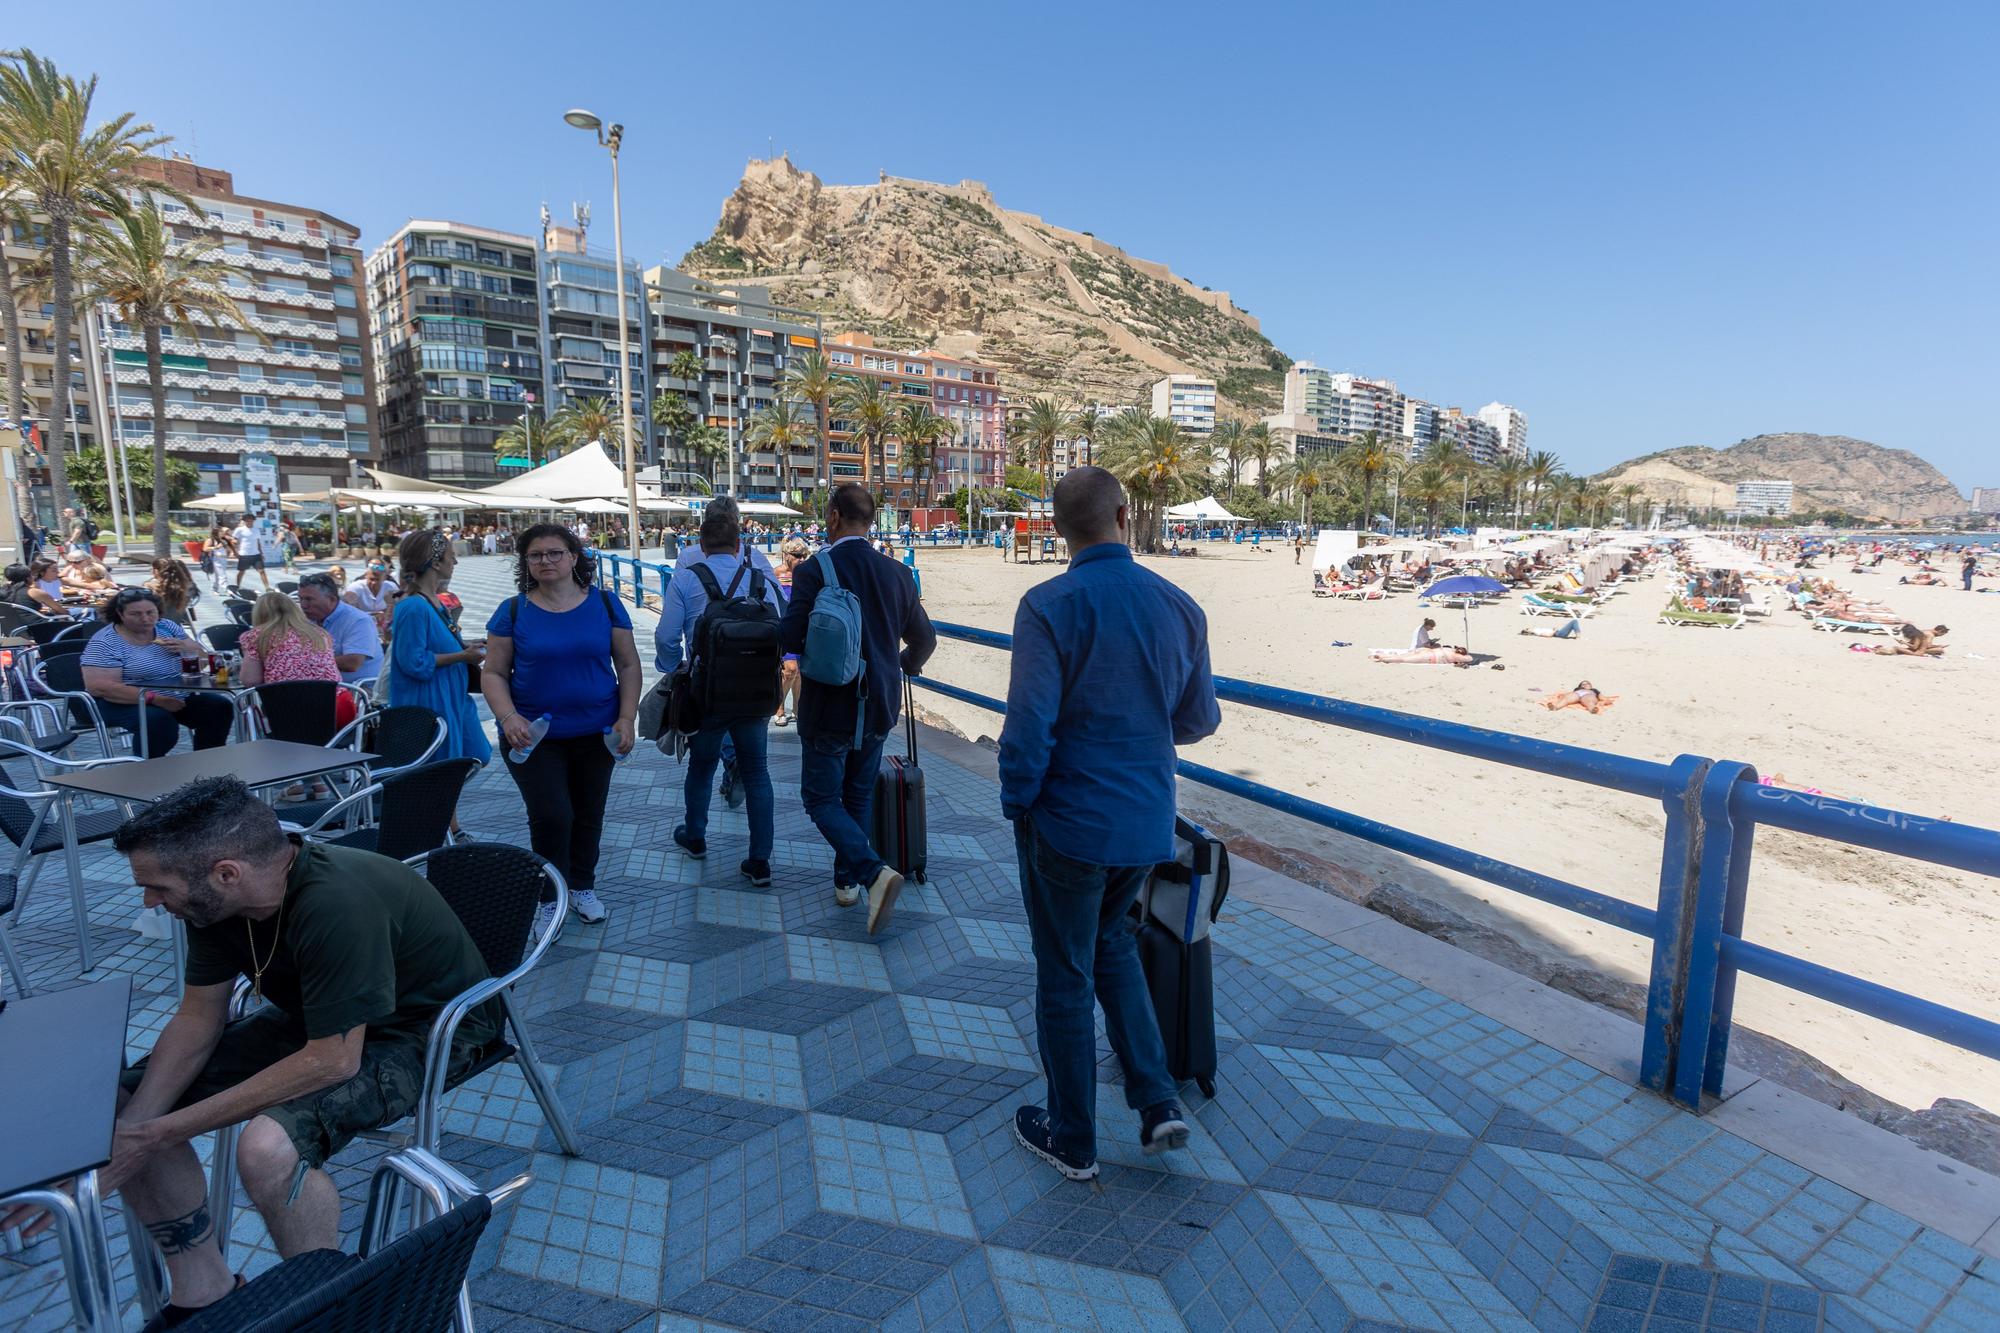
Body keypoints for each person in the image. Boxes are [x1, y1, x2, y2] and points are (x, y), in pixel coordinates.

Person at [0, 777, 501, 1328]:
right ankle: (204, 1292)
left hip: (433, 1029)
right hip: (323, 1021)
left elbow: (334, 1061)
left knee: (266, 1149)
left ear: (226, 872)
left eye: (156, 887)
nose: (148, 901)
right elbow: (198, 1019)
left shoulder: (337, 900)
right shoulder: (213, 906)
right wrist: (135, 1126)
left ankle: (325, 1307)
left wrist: (152, 1137)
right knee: (119, 1106)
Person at [998, 466, 1217, 1181]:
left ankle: (1073, 1137)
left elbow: (1027, 728)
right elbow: (1196, 720)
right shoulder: (1179, 605)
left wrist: (1018, 801)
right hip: (1146, 823)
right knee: (1113, 949)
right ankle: (1157, 1101)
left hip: (1067, 825)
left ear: (1058, 528)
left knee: (1064, 972)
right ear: (1124, 515)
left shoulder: (1047, 605)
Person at [776, 483, 936, 930]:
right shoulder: (898, 574)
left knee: (820, 798)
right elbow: (925, 640)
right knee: (859, 793)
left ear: (832, 517)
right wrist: (903, 664)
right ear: (870, 520)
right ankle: (846, 883)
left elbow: (790, 637)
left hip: (830, 705)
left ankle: (872, 873)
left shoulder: (814, 570)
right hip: (880, 703)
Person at [483, 524, 639, 942]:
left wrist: (627, 718)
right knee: (553, 815)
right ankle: (550, 897)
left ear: (574, 557)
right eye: (536, 556)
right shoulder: (512, 611)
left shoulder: (606, 605)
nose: (546, 561)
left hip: (597, 732)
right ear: (526, 564)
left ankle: (582, 886)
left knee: (589, 813)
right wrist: (507, 717)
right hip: (533, 735)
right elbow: (494, 672)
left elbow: (627, 665)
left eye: (555, 553)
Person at [655, 499, 784, 891]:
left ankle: (695, 837)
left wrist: (674, 666)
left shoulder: (687, 577)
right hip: (756, 695)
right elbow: (785, 623)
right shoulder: (759, 576)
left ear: (702, 543)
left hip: (707, 695)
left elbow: (665, 637)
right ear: (739, 542)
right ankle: (759, 861)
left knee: (702, 766)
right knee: (758, 773)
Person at [79, 588, 236, 756]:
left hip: (175, 693)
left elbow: (203, 661)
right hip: (122, 701)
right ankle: (147, 770)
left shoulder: (166, 627)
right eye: (136, 614)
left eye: (150, 612)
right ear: (120, 613)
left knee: (219, 707)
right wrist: (155, 699)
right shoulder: (106, 641)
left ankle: (207, 762)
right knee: (158, 722)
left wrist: (186, 648)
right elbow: (101, 687)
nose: (145, 619)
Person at [387, 529, 490, 766]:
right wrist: (463, 655)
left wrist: (464, 647)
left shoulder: (432, 601)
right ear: (435, 563)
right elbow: (414, 662)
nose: (454, 562)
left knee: (475, 755)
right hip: (431, 700)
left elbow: (433, 644)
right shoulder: (414, 606)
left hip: (451, 695)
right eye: (450, 556)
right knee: (443, 770)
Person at [296, 573, 381, 685]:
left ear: (332, 599)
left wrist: (308, 664)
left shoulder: (358, 620)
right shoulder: (307, 619)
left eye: (309, 599)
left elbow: (353, 662)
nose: (303, 605)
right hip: (322, 688)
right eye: (300, 599)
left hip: (359, 691)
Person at [773, 536, 811, 727]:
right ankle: (779, 708)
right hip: (784, 627)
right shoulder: (776, 574)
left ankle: (797, 709)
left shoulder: (806, 575)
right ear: (787, 555)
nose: (802, 559)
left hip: (803, 626)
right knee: (790, 670)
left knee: (800, 671)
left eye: (804, 555)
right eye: (797, 555)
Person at [344, 561, 396, 639]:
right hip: (361, 626)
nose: (374, 582)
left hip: (383, 628)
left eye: (377, 579)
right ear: (365, 576)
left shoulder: (391, 587)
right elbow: (347, 608)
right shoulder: (355, 587)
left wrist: (387, 613)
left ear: (384, 578)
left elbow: (398, 606)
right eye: (371, 579)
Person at [148, 557, 198, 625]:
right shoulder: (187, 587)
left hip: (155, 628)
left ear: (157, 571)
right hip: (175, 626)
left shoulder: (151, 588)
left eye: (153, 569)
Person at [231, 513, 272, 591]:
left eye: (251, 521)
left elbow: (258, 542)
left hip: (256, 554)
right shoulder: (239, 530)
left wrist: (261, 553)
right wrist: (235, 552)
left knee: (262, 571)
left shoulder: (256, 530)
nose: (249, 522)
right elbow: (233, 541)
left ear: (253, 521)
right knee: (242, 571)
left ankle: (267, 587)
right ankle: (237, 586)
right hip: (244, 554)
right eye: (247, 521)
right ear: (245, 521)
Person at [202, 523, 233, 593]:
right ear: (216, 532)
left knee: (217, 575)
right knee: (222, 575)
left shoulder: (223, 540)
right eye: (221, 531)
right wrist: (215, 547)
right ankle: (226, 589)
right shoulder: (210, 540)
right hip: (216, 559)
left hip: (223, 559)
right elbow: (205, 548)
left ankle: (214, 588)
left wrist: (228, 552)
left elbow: (228, 548)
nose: (223, 533)